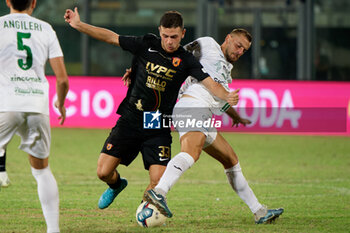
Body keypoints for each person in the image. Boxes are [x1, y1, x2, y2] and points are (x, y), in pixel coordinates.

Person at [64, 9, 240, 210]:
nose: (169, 41)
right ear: (160, 31)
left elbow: (209, 82)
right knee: (103, 172)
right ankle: (116, 185)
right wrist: (79, 25)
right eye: (165, 36)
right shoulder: (146, 44)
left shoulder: (186, 60)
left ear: (183, 34)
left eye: (174, 37)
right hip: (131, 118)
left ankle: (145, 211)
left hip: (157, 124)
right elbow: (111, 37)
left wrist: (226, 95)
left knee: (158, 182)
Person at [144, 29, 284, 224]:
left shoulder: (226, 73)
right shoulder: (208, 45)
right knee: (191, 153)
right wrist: (148, 68)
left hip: (201, 112)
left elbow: (219, 97)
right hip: (192, 105)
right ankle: (159, 191)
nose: (240, 51)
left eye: (244, 49)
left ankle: (259, 211)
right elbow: (177, 52)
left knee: (231, 159)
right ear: (227, 38)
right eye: (238, 45)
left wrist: (236, 117)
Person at [0, 0, 69, 232]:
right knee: (41, 170)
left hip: (6, 104)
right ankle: (53, 230)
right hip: (36, 105)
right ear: (34, 3)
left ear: (8, 1)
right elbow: (62, 79)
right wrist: (60, 102)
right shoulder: (46, 28)